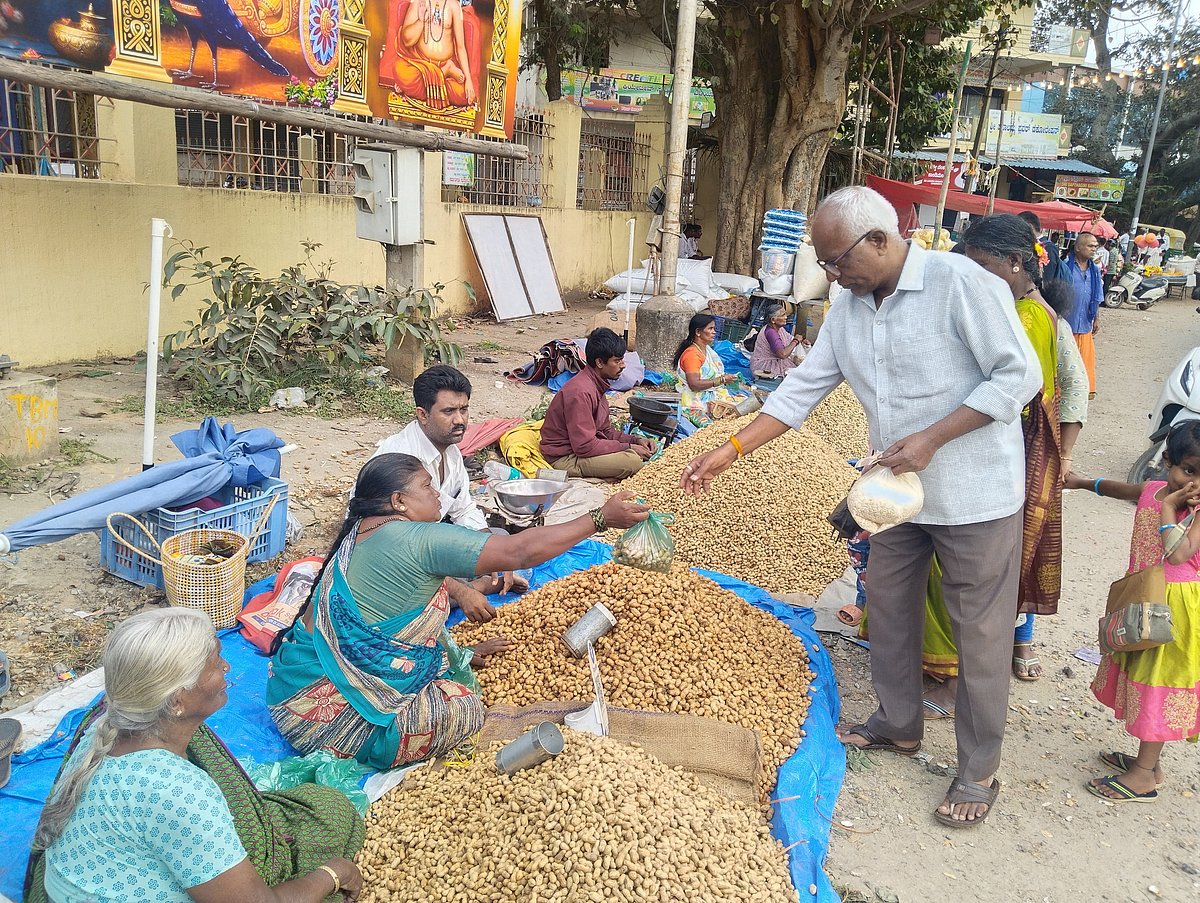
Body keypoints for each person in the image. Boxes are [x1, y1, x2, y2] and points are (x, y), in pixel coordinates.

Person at [680, 186, 1040, 828]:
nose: (831, 273)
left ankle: (978, 768)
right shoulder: (847, 307)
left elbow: (1019, 378)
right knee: (889, 609)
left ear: (879, 239)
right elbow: (802, 390)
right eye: (825, 264)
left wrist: (932, 437)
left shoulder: (961, 283)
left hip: (976, 495)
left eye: (836, 259)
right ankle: (899, 724)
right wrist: (728, 449)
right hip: (892, 495)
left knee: (979, 631)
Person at [267, 453, 648, 768]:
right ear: (399, 502)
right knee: (464, 705)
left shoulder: (360, 530)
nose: (438, 495)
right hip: (328, 719)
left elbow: (410, 604)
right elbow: (518, 551)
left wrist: (460, 652)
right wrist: (600, 518)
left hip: (292, 685)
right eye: (427, 487)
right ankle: (371, 742)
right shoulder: (416, 540)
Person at [29, 609, 364, 903]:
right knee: (330, 816)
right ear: (177, 700)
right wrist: (333, 874)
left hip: (72, 882)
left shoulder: (105, 723)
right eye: (215, 662)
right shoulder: (178, 792)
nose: (227, 665)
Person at [920, 216, 1089, 724]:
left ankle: (948, 681)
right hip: (998, 453)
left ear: (1016, 265)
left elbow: (1012, 397)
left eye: (984, 268)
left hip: (992, 458)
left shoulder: (1029, 319)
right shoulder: (1024, 311)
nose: (973, 279)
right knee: (982, 571)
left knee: (963, 574)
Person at [1064, 421, 1200, 802]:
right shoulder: (1152, 490)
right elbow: (1118, 490)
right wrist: (1080, 482)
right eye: (1188, 471)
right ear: (1166, 461)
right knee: (1140, 675)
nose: (1193, 484)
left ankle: (1143, 774)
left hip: (1177, 612)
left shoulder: (1194, 510)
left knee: (1157, 682)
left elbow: (1178, 553)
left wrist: (1171, 508)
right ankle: (1148, 762)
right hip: (1144, 601)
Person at [372, 365, 524, 614]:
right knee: (412, 601)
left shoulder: (450, 452)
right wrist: (463, 592)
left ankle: (477, 583)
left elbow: (464, 509)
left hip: (430, 540)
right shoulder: (401, 458)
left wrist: (497, 554)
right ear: (422, 414)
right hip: (392, 553)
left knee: (500, 537)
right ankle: (479, 587)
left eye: (464, 409)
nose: (460, 420)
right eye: (449, 411)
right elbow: (399, 550)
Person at [538, 328, 654, 480]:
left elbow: (605, 431)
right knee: (632, 462)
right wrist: (628, 447)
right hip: (565, 457)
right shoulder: (580, 392)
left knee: (633, 454)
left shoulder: (596, 385)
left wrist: (635, 440)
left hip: (580, 449)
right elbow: (584, 447)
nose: (623, 365)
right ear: (600, 362)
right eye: (617, 361)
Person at [673, 313, 751, 425]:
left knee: (745, 403)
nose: (714, 332)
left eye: (714, 328)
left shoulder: (706, 350)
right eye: (710, 328)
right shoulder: (692, 354)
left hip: (711, 393)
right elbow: (694, 384)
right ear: (698, 332)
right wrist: (721, 380)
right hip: (695, 398)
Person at [1063, 231, 1103, 397]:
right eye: (1090, 246)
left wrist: (1097, 318)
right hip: (1067, 323)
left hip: (1085, 323)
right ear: (1078, 248)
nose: (1094, 249)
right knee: (1065, 360)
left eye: (1095, 246)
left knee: (1085, 360)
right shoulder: (1065, 267)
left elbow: (1097, 295)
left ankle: (1082, 391)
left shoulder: (1094, 271)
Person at [748, 303, 806, 377]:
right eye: (783, 315)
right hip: (766, 367)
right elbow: (782, 354)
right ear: (773, 320)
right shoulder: (770, 332)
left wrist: (801, 342)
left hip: (776, 361)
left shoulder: (779, 329)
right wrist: (795, 341)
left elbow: (789, 339)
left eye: (785, 314)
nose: (786, 317)